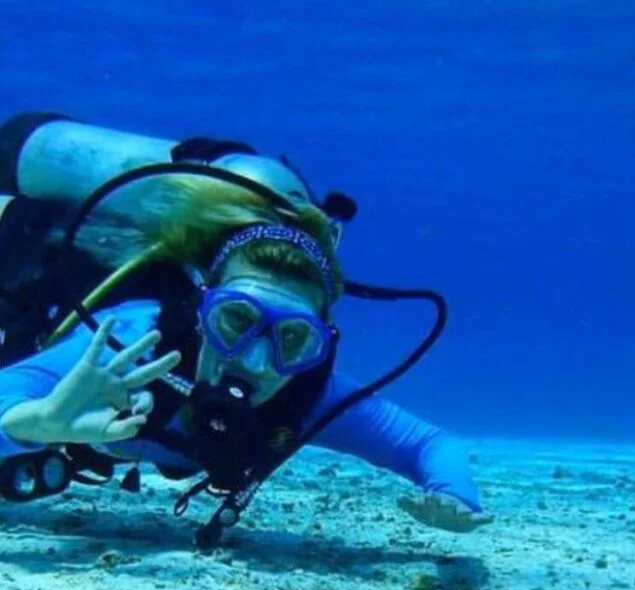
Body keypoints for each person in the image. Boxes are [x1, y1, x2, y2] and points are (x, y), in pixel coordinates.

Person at [0, 113, 491, 548]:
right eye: (235, 321)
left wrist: (454, 496)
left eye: (292, 339)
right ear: (199, 309)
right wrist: (30, 422)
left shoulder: (309, 395)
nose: (254, 361)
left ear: (318, 344)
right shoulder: (133, 345)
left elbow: (428, 445)